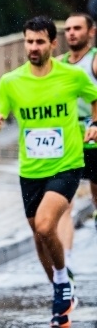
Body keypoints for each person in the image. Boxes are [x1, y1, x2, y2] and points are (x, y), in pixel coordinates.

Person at [0, 16, 97, 328]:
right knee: (39, 235)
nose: (33, 47)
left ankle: (62, 280)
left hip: (67, 164)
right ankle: (61, 296)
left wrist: (95, 123)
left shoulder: (72, 76)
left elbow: (94, 97)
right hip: (31, 169)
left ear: (52, 43)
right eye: (29, 41)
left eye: (39, 42)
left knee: (47, 226)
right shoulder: (11, 81)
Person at [57, 13, 97, 245]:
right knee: (64, 200)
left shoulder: (94, 60)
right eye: (68, 29)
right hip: (67, 139)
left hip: (93, 138)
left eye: (77, 28)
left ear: (91, 32)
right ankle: (66, 258)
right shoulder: (59, 63)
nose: (71, 33)